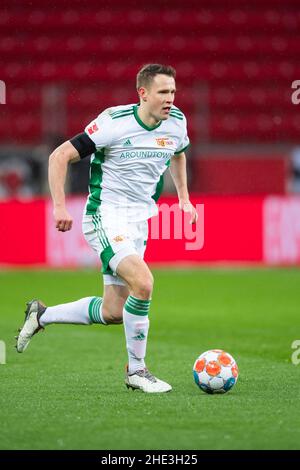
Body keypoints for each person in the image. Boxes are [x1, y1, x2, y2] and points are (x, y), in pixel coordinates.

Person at [16, 64, 198, 393]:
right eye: (162, 92)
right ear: (143, 93)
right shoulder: (114, 123)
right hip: (106, 215)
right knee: (143, 283)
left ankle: (41, 315)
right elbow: (60, 156)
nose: (170, 98)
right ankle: (137, 371)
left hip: (140, 220)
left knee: (114, 311)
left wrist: (184, 199)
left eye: (172, 91)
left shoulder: (177, 123)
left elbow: (179, 154)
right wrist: (58, 205)